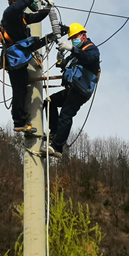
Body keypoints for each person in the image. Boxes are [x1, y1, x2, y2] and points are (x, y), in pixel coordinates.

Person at [42, 23, 100, 158]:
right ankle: (56, 132)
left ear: (83, 36)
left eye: (75, 37)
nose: (74, 40)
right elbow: (65, 65)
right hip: (72, 88)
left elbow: (88, 58)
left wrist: (72, 48)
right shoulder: (75, 54)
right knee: (49, 102)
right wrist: (60, 60)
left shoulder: (92, 50)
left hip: (81, 91)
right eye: (72, 38)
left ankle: (57, 147)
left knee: (66, 114)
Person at [0, 0, 51, 134]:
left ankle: (20, 118)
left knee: (21, 88)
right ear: (14, 1)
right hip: (13, 58)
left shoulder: (20, 17)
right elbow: (13, 9)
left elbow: (36, 17)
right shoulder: (9, 15)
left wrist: (47, 8)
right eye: (21, 0)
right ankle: (19, 122)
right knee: (19, 90)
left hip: (20, 57)